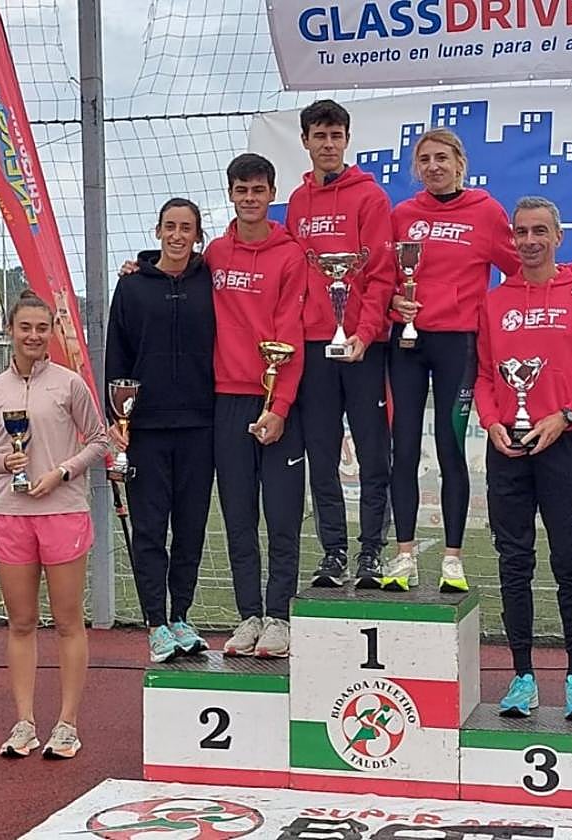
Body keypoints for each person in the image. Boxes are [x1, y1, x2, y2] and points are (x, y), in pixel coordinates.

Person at [386, 129, 572, 592]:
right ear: (416, 168)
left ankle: (452, 558)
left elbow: (524, 262)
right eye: (425, 159)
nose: (434, 166)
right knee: (401, 446)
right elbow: (385, 280)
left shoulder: (484, 211)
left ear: (460, 163)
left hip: (458, 341)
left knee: (449, 444)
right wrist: (391, 307)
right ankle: (403, 555)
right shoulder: (402, 215)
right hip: (407, 342)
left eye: (443, 157)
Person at [474, 196, 572, 721]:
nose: (529, 240)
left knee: (570, 563)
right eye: (520, 232)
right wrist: (492, 422)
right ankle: (521, 678)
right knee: (514, 563)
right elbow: (487, 377)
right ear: (511, 238)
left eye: (540, 231)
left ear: (559, 237)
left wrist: (564, 417)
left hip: (564, 446)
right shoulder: (494, 300)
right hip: (508, 450)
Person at [0, 289, 110, 760]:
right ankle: (24, 722)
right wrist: (3, 464)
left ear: (52, 332)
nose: (33, 336)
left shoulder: (70, 384)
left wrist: (62, 472)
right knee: (21, 623)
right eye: (25, 327)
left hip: (63, 511)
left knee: (68, 622)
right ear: (10, 331)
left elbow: (99, 439)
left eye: (41, 328)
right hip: (11, 515)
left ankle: (67, 723)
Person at [286, 99, 394, 589]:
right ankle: (333, 552)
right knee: (321, 453)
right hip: (312, 344)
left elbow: (380, 274)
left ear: (347, 140)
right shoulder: (296, 202)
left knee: (374, 452)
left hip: (363, 347)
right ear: (305, 141)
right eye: (319, 136)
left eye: (336, 136)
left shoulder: (370, 198)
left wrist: (364, 334)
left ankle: (371, 552)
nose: (327, 145)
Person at [105, 198, 216, 663]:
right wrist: (118, 419)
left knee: (190, 528)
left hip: (200, 425)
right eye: (170, 226)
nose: (177, 235)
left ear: (197, 235)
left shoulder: (211, 282)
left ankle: (182, 616)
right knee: (150, 529)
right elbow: (117, 355)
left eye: (186, 227)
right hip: (146, 429)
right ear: (157, 231)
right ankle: (155, 623)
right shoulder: (131, 287)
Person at [210, 153, 308, 658]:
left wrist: (281, 406)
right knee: (238, 516)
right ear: (231, 193)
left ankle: (281, 616)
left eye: (259, 190)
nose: (250, 198)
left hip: (277, 405)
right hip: (226, 401)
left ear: (272, 194)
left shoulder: (290, 256)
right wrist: (141, 265)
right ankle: (249, 614)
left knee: (283, 515)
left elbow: (292, 335)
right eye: (241, 190)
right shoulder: (215, 253)